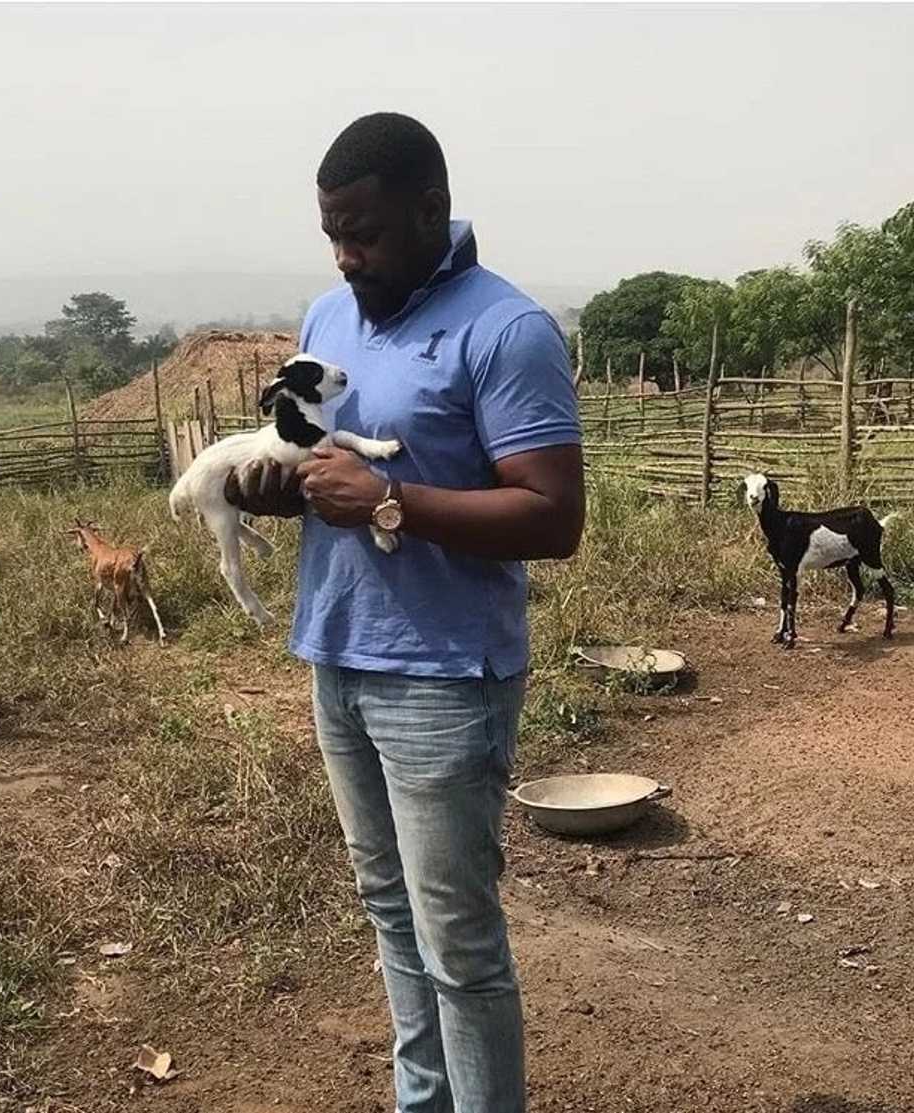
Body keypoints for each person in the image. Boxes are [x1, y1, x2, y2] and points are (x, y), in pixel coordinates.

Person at [225, 112, 584, 1113]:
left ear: (433, 210)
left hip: (443, 678)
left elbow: (553, 517)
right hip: (336, 656)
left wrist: (391, 502)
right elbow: (319, 470)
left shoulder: (505, 330)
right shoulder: (327, 316)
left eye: (366, 233)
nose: (347, 256)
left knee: (456, 942)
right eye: (333, 234)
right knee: (389, 915)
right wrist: (279, 487)